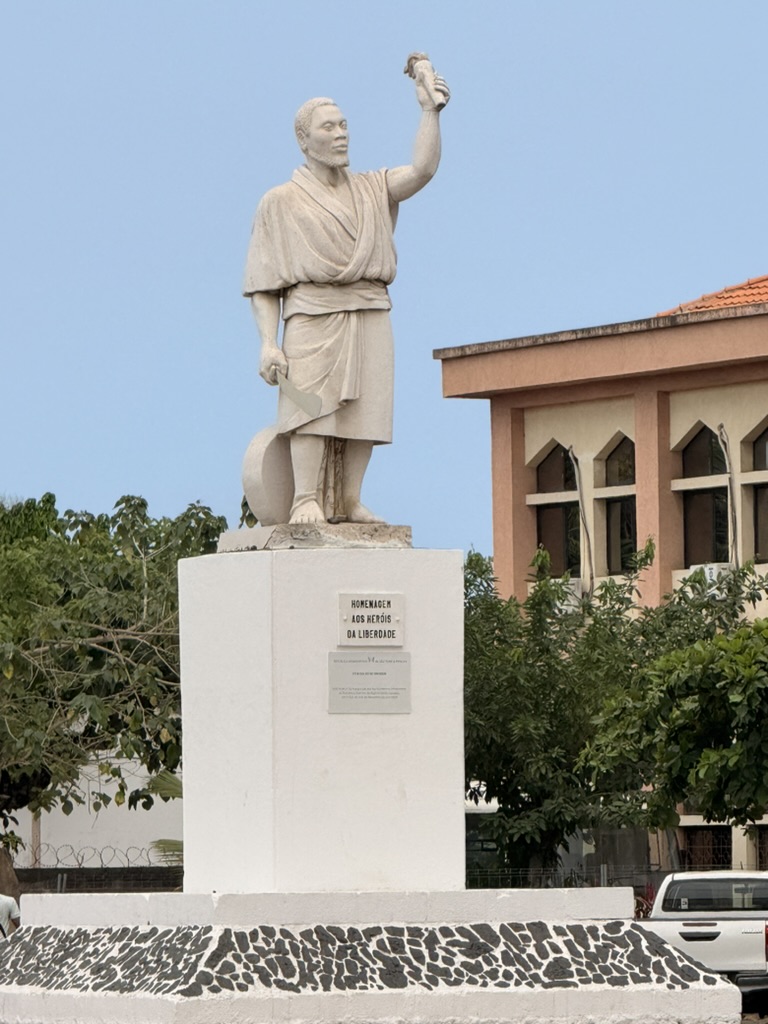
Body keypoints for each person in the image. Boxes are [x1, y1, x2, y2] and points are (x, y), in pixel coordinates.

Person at [243, 61, 449, 525]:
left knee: (366, 412)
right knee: (309, 410)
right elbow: (263, 283)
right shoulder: (280, 201)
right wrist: (268, 342)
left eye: (344, 125)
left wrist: (429, 112)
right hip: (312, 311)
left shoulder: (372, 188)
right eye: (328, 127)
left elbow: (421, 170)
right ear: (304, 139)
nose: (340, 134)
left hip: (371, 305)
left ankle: (351, 499)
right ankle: (305, 498)